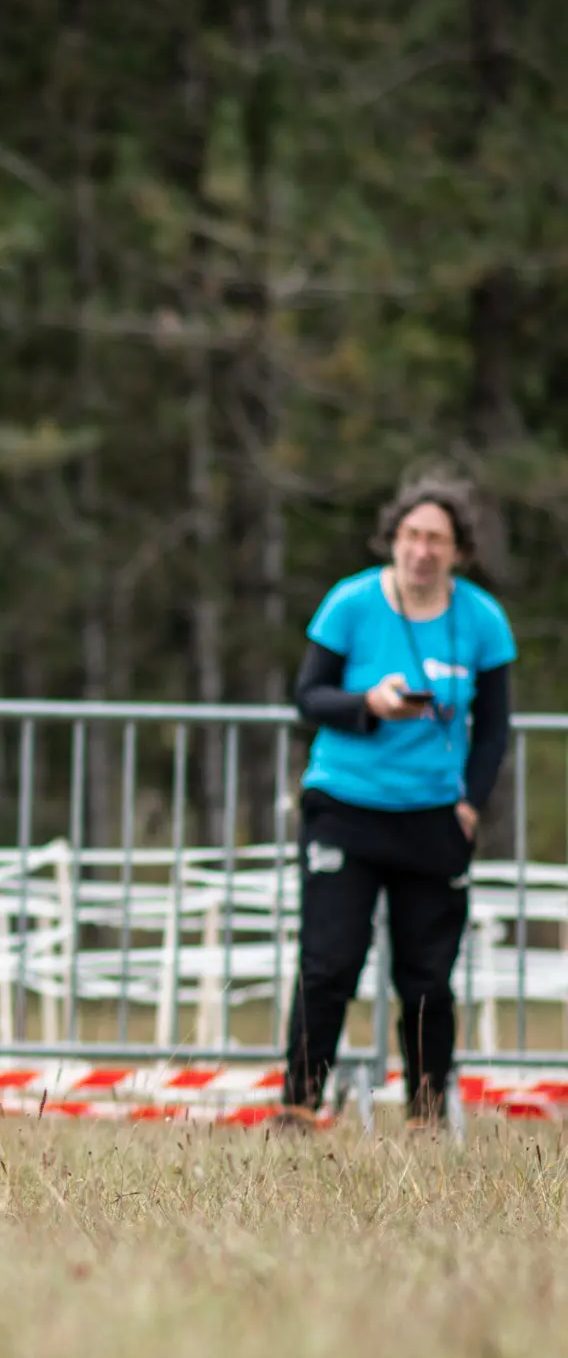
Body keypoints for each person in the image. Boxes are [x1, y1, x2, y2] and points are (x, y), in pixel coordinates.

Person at [282, 476, 516, 1127]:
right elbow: (307, 697)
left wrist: (471, 802)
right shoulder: (350, 603)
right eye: (412, 535)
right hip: (346, 804)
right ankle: (299, 1105)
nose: (421, 550)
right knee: (329, 963)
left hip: (433, 814)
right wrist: (368, 704)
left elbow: (494, 726)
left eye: (436, 539)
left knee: (426, 977)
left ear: (458, 551)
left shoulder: (481, 619)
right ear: (394, 540)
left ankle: (426, 1109)